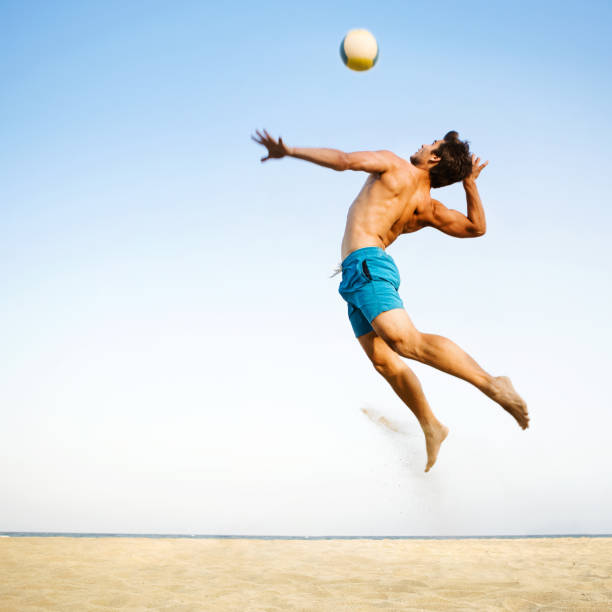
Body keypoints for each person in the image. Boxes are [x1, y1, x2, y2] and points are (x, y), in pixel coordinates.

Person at [252, 129, 529, 472]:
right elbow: (475, 227)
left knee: (404, 341)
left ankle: (491, 383)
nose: (423, 144)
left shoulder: (392, 165)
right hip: (359, 274)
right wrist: (469, 183)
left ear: (434, 158)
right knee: (383, 360)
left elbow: (344, 160)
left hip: (367, 265)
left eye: (431, 144)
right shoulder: (427, 206)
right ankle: (431, 425)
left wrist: (290, 150)